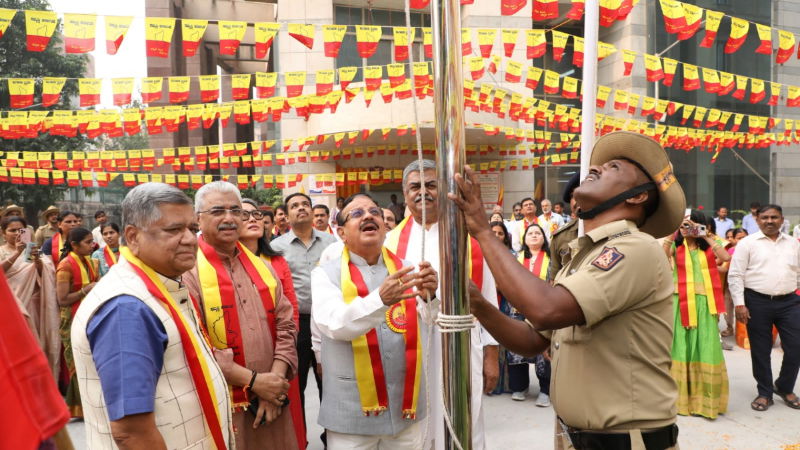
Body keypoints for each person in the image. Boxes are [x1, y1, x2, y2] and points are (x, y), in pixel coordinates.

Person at [451, 131, 685, 449]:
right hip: (578, 436)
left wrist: (481, 229)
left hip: (623, 441)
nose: (597, 168)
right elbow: (533, 339)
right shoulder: (583, 255)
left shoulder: (634, 248)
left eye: (614, 167)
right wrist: (478, 303)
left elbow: (545, 309)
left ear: (637, 196)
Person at [71, 183, 232, 449]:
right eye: (173, 230)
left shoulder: (161, 286)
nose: (191, 239)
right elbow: (131, 432)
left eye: (192, 229)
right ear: (133, 236)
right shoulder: (126, 308)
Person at [385, 159, 499, 450]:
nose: (423, 192)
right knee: (418, 428)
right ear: (404, 193)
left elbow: (488, 298)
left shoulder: (468, 235)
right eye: (415, 186)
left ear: (443, 189)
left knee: (466, 421)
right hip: (411, 346)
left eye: (431, 185)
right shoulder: (389, 242)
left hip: (463, 340)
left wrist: (491, 356)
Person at [311, 193, 438, 449]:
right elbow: (335, 324)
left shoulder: (407, 268)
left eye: (374, 212)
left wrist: (431, 296)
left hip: (406, 407)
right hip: (352, 413)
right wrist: (380, 300)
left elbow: (431, 320)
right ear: (342, 233)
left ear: (384, 226)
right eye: (357, 214)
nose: (368, 216)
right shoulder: (324, 274)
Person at [183, 182, 302, 449]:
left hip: (274, 402)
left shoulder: (263, 268)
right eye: (218, 211)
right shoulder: (187, 272)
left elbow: (286, 326)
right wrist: (256, 382)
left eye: (236, 210)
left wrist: (274, 384)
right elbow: (196, 346)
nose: (229, 218)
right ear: (198, 219)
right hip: (223, 402)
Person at [271, 192, 337, 440]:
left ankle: (332, 438)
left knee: (329, 383)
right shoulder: (276, 248)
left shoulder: (332, 243)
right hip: (296, 325)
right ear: (286, 216)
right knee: (295, 386)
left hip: (329, 323)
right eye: (294, 206)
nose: (301, 209)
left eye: (305, 205)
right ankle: (299, 439)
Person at [728, 204, 800, 412]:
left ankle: (784, 386)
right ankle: (765, 392)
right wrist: (740, 304)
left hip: (789, 302)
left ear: (782, 219)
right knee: (760, 350)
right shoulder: (747, 244)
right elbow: (735, 275)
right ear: (758, 220)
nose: (770, 221)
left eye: (774, 217)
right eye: (765, 217)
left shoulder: (793, 244)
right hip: (756, 302)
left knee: (795, 347)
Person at [662, 210, 730, 419]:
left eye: (692, 225)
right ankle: (679, 401)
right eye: (685, 225)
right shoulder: (675, 246)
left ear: (701, 226)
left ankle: (705, 402)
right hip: (680, 302)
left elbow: (725, 257)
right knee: (680, 347)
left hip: (704, 304)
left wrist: (705, 236)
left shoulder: (708, 247)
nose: (688, 229)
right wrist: (674, 230)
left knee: (706, 347)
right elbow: (660, 256)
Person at [56, 227, 99, 418]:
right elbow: (62, 299)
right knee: (78, 360)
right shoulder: (65, 265)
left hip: (90, 315)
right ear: (74, 245)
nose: (92, 245)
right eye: (88, 242)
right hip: (72, 318)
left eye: (92, 241)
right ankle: (80, 407)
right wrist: (86, 290)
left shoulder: (90, 261)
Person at [512, 224, 552, 407]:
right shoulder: (514, 259)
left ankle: (545, 390)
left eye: (538, 233)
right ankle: (519, 387)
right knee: (516, 349)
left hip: (542, 312)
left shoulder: (551, 259)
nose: (534, 235)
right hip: (518, 311)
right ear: (524, 239)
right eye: (530, 233)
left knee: (543, 353)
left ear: (544, 238)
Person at [488, 220, 513, 396]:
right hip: (486, 301)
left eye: (500, 233)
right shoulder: (477, 252)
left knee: (503, 342)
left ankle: (504, 383)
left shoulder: (510, 255)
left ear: (505, 237)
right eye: (493, 232)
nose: (496, 236)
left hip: (504, 302)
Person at [548, 173, 580, 279]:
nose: (577, 200)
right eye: (572, 196)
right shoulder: (560, 237)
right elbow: (554, 275)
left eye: (581, 193)